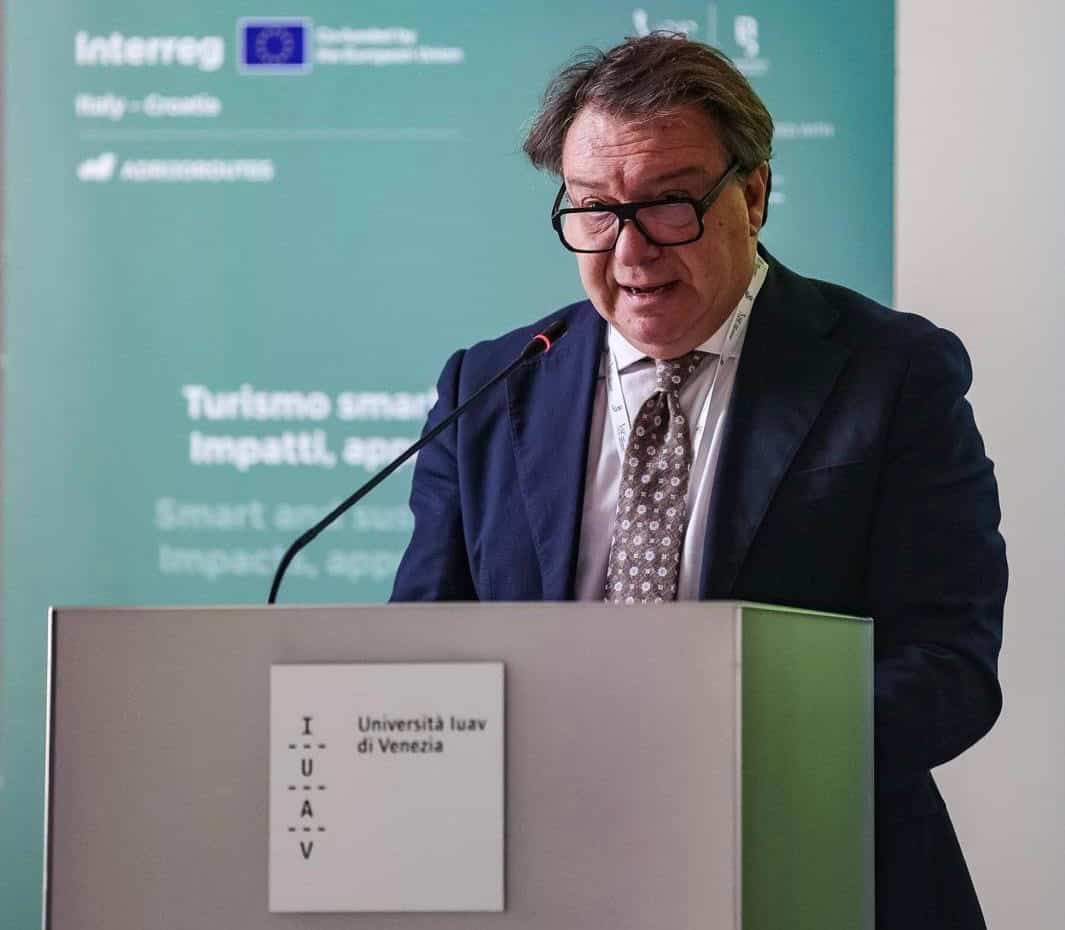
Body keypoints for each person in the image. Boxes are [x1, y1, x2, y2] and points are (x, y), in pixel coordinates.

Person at [391, 34, 1006, 930]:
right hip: (542, 881)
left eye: (668, 205)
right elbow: (421, 657)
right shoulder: (488, 386)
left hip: (814, 873)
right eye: (594, 210)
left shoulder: (892, 371)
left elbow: (947, 665)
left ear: (751, 195)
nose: (630, 253)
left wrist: (719, 763)